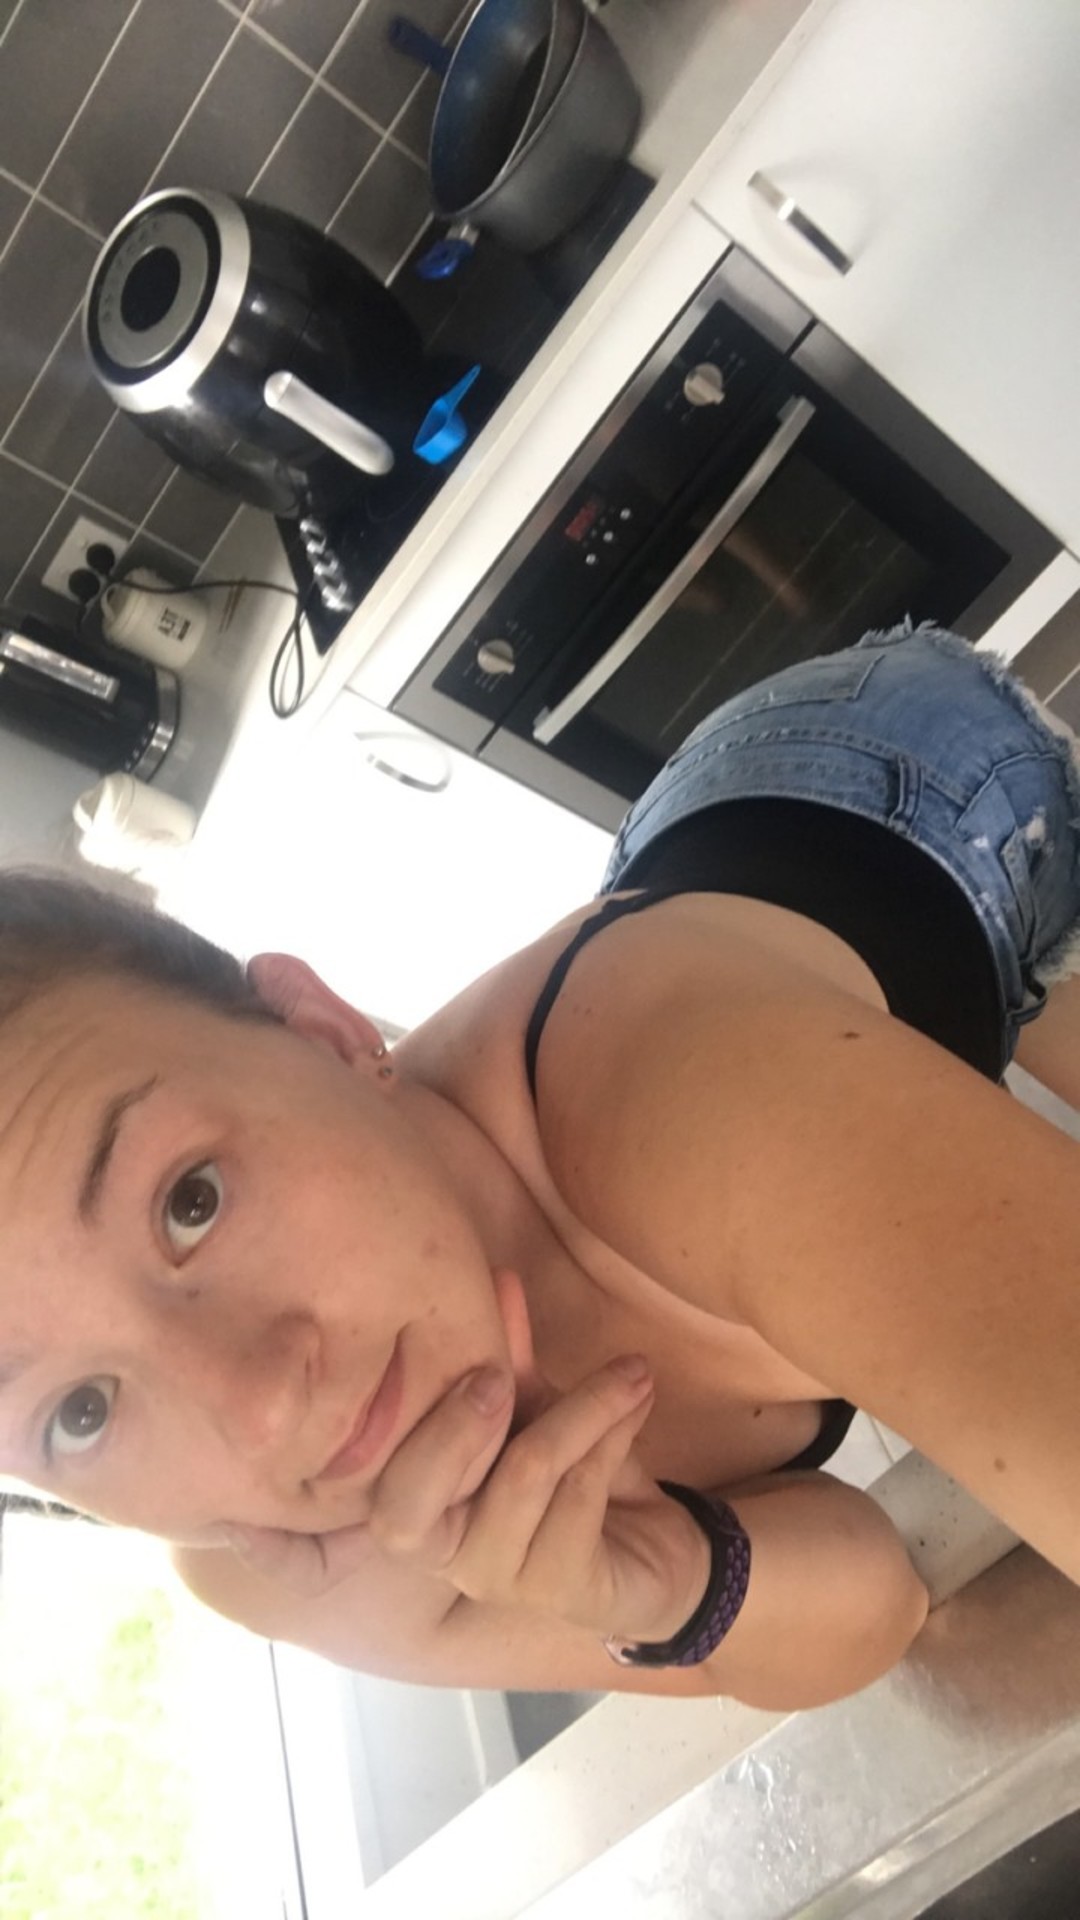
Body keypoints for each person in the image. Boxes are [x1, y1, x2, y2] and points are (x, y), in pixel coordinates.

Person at [2, 622, 1080, 1713]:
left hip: (912, 792)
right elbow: (879, 1608)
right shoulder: (271, 1564)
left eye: (190, 1201)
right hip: (723, 921)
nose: (262, 1408)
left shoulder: (677, 1096)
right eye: (78, 1414)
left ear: (323, 1030)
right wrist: (670, 1581)